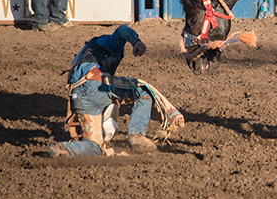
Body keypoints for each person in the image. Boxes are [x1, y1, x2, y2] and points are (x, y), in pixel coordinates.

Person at [48, 25, 185, 158]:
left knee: (95, 146)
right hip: (95, 83)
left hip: (79, 95)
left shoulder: (83, 55)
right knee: (143, 90)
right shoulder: (107, 41)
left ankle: (64, 148)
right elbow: (122, 29)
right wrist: (135, 41)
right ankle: (136, 134)